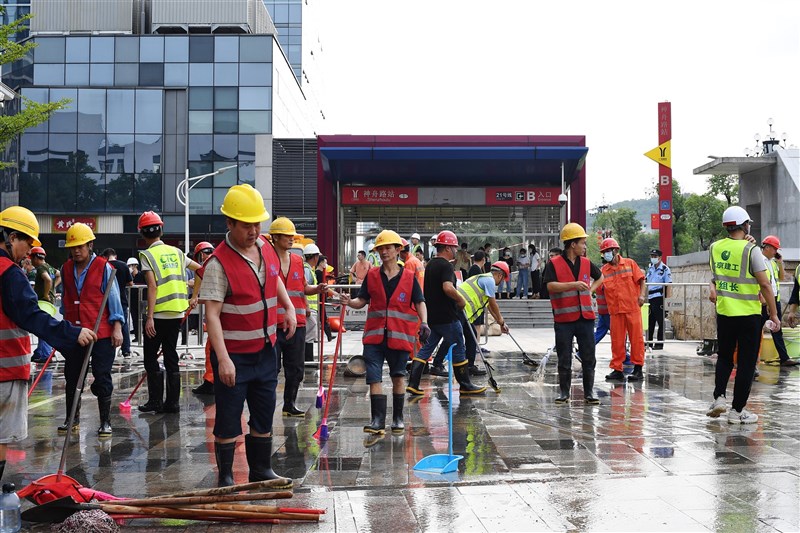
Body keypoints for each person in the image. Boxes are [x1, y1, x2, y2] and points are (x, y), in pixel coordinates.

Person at [199, 183, 295, 487]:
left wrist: (289, 307)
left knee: (264, 413)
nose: (253, 230)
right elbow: (211, 315)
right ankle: (226, 476)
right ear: (230, 223)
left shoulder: (266, 247)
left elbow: (275, 278)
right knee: (228, 418)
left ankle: (260, 469)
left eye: (257, 223)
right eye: (246, 225)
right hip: (234, 356)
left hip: (266, 350)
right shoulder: (218, 263)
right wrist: (223, 360)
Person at [0, 207, 96, 482]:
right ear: (11, 237)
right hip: (4, 373)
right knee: (1, 438)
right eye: (27, 242)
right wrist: (71, 334)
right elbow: (30, 315)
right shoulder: (10, 273)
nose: (29, 250)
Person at [341, 230, 427, 439]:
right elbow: (361, 300)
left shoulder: (409, 277)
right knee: (373, 376)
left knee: (398, 376)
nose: (383, 252)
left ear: (398, 250)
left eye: (388, 247)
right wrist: (348, 302)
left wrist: (424, 322)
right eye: (380, 248)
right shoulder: (371, 275)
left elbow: (419, 301)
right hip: (374, 337)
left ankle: (397, 418)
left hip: (399, 336)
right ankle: (377, 420)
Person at [706, 206, 779, 424]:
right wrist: (774, 315)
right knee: (746, 363)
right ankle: (737, 411)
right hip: (748, 315)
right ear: (744, 225)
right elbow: (764, 284)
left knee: (725, 357)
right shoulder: (751, 250)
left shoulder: (714, 247)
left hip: (725, 313)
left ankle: (719, 397)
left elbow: (718, 275)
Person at [60, 223, 124, 437]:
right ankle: (72, 418)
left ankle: (105, 421)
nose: (76, 250)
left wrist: (117, 327)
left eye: (81, 246)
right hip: (75, 332)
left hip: (101, 332)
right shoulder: (66, 269)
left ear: (90, 245)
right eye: (73, 247)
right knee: (73, 376)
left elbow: (113, 298)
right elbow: (67, 299)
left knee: (102, 375)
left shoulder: (103, 267)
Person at [137, 211, 203, 414]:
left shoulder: (147, 255)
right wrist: (194, 296)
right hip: (176, 313)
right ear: (161, 229)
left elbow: (152, 287)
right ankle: (172, 403)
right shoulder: (176, 252)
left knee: (150, 358)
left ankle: (156, 401)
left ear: (142, 233)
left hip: (157, 315)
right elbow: (201, 269)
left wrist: (148, 317)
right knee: (171, 356)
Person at [406, 230, 486, 396]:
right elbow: (447, 287)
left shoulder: (431, 265)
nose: (456, 251)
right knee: (459, 348)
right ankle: (465, 384)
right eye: (454, 248)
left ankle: (413, 383)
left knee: (426, 349)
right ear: (448, 248)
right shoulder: (446, 265)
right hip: (448, 317)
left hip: (433, 316)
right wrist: (460, 300)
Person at [269, 218, 327, 418]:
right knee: (271, 368)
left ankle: (289, 404)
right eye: (287, 236)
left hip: (298, 324)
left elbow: (303, 288)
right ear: (275, 237)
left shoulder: (297, 261)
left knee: (296, 369)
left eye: (292, 236)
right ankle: (267, 405)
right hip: (273, 325)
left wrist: (316, 289)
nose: (291, 240)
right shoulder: (267, 260)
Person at [542, 223, 603, 404]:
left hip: (585, 317)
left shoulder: (586, 262)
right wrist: (573, 285)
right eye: (582, 243)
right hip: (564, 319)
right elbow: (550, 286)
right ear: (572, 244)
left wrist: (590, 291)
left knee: (589, 356)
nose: (585, 247)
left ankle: (589, 392)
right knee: (564, 357)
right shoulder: (553, 264)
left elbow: (600, 277)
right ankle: (564, 392)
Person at [599, 238, 647, 382]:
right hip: (615, 310)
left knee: (636, 339)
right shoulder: (603, 271)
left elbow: (641, 280)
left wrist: (642, 295)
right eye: (604, 252)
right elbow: (597, 286)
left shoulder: (629, 264)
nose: (606, 254)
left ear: (615, 250)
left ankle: (638, 369)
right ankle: (617, 369)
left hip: (632, 307)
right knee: (617, 341)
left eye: (608, 251)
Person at [457, 261, 511, 375]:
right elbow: (493, 303)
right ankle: (438, 363)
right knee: (453, 336)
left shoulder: (486, 279)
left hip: (463, 311)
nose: (501, 283)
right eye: (502, 280)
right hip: (460, 308)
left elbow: (489, 305)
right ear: (500, 275)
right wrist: (501, 321)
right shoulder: (489, 280)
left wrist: (500, 323)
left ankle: (470, 366)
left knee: (471, 338)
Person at [760, 236, 797, 367]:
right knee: (756, 330)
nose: (776, 251)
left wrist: (780, 262)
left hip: (775, 299)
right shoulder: (759, 260)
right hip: (763, 300)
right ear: (767, 247)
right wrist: (765, 302)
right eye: (775, 249)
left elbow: (781, 277)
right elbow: (761, 283)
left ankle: (784, 358)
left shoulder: (773, 262)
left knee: (777, 328)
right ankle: (751, 359)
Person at [191, 242, 217, 395]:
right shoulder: (222, 260)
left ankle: (210, 382)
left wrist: (194, 296)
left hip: (218, 315)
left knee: (211, 349)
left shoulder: (210, 263)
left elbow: (199, 272)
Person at [102, 248, 134, 359]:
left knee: (106, 325)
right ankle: (126, 351)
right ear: (115, 256)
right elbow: (130, 283)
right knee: (123, 325)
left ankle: (108, 349)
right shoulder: (123, 265)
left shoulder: (104, 266)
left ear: (105, 257)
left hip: (106, 301)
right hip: (121, 299)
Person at [29, 246, 55, 363]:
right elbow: (58, 275)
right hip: (49, 303)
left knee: (42, 327)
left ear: (35, 258)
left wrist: (45, 293)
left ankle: (46, 354)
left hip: (43, 302)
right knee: (42, 326)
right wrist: (52, 290)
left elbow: (48, 280)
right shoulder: (49, 267)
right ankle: (40, 352)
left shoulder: (40, 268)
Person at [646, 249, 672, 350]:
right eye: (652, 256)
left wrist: (667, 302)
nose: (653, 258)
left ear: (660, 257)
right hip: (650, 297)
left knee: (661, 322)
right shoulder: (651, 268)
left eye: (655, 256)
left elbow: (669, 285)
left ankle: (660, 343)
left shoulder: (665, 269)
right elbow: (646, 282)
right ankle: (649, 342)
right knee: (650, 322)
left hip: (659, 297)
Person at [127, 256, 146, 343]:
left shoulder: (142, 275)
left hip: (142, 299)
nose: (131, 267)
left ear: (136, 266)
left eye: (132, 265)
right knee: (135, 318)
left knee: (143, 318)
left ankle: (145, 336)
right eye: (129, 266)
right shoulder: (129, 276)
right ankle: (137, 336)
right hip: (133, 300)